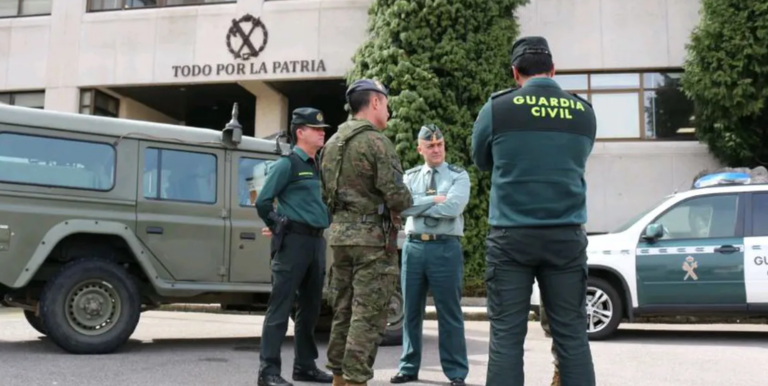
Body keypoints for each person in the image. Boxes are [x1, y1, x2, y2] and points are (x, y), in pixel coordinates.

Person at [470, 36, 597, 386]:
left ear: (515, 73)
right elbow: (577, 157)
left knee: (507, 338)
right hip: (566, 236)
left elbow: (481, 160)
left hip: (511, 236)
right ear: (553, 70)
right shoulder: (583, 112)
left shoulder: (497, 109)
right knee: (572, 335)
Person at [319, 79, 414, 386]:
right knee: (369, 315)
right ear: (375, 102)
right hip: (372, 242)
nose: (388, 110)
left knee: (344, 310)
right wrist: (407, 201)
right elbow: (396, 195)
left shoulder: (332, 143)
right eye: (385, 103)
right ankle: (356, 380)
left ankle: (338, 376)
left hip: (341, 238)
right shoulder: (376, 142)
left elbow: (326, 196)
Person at [255, 107, 335, 386]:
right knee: (280, 307)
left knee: (310, 309)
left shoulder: (318, 166)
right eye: (316, 129)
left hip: (316, 242)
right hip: (293, 243)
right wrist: (278, 224)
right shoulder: (287, 164)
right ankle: (268, 372)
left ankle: (305, 366)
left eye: (323, 129)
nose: (322, 132)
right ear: (300, 132)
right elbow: (263, 201)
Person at [390, 124, 470, 386]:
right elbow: (401, 208)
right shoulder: (410, 176)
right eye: (431, 146)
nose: (436, 149)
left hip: (446, 248)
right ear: (420, 148)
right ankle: (408, 367)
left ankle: (456, 372)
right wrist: (435, 200)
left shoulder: (459, 176)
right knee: (411, 311)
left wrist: (419, 204)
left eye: (440, 144)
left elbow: (453, 207)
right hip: (414, 248)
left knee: (449, 313)